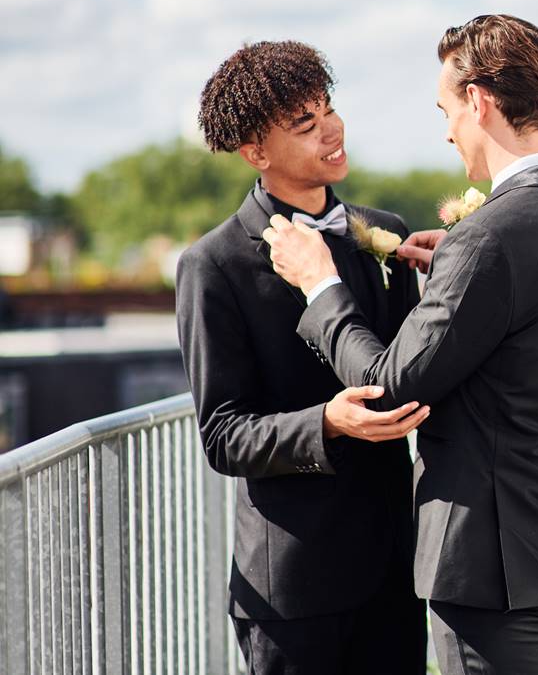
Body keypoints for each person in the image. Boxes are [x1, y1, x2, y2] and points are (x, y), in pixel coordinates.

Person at [263, 15, 538, 675]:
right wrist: (461, 265)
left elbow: (388, 387)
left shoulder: (490, 240)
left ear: (478, 100)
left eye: (446, 110)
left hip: (488, 565)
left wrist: (320, 285)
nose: (446, 131)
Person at [175, 40, 429, 675]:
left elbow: (404, 375)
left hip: (395, 573)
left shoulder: (385, 233)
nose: (331, 129)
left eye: (329, 108)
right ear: (256, 153)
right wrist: (327, 423)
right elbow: (223, 435)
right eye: (305, 123)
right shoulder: (213, 264)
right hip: (293, 587)